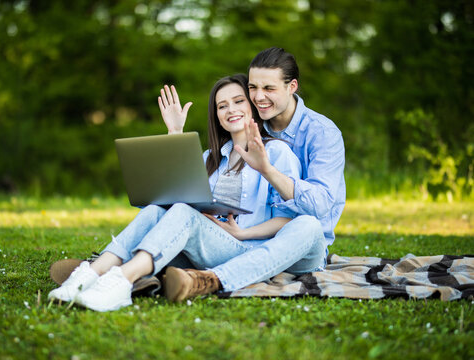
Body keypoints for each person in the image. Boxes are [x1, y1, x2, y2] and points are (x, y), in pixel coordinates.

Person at [48, 74, 302, 311]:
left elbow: (290, 219)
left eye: (238, 101)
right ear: (216, 115)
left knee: (182, 211)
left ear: (253, 107)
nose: (231, 110)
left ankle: (122, 280)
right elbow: (170, 199)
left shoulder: (277, 153)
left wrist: (242, 232)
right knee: (155, 210)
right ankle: (92, 273)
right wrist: (175, 133)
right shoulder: (209, 159)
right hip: (201, 244)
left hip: (243, 249)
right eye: (222, 106)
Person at [161, 47, 345, 300]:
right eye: (252, 88)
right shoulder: (249, 126)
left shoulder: (322, 133)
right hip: (246, 243)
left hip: (298, 244)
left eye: (268, 89)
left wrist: (267, 170)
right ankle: (122, 266)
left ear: (292, 87)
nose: (258, 97)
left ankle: (212, 280)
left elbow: (321, 206)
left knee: (308, 225)